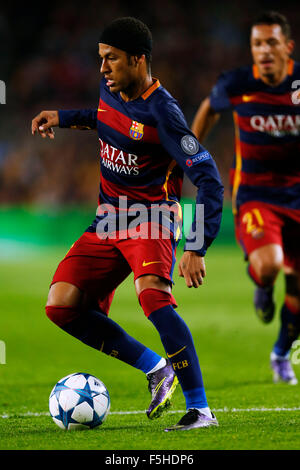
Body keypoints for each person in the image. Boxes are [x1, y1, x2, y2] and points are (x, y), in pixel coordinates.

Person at [32, 17, 223, 431]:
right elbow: (102, 118)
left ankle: (201, 411)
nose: (102, 69)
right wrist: (62, 117)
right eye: (101, 59)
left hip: (150, 217)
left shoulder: (164, 112)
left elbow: (208, 176)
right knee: (61, 304)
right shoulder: (110, 87)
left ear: (138, 60)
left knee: (153, 298)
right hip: (108, 217)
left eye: (112, 59)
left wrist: (196, 245)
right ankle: (157, 369)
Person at [192, 11, 300, 385]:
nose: (263, 50)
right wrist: (189, 153)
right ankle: (263, 284)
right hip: (256, 196)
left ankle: (281, 354)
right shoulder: (237, 83)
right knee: (270, 264)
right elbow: (209, 108)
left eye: (271, 42)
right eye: (257, 43)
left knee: (299, 293)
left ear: (287, 47)